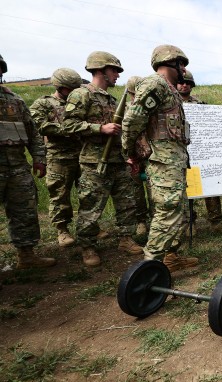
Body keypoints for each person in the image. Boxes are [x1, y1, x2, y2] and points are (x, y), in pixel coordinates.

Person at [122, 44, 198, 272]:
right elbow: (132, 121)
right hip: (163, 163)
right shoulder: (155, 84)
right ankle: (149, 268)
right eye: (181, 64)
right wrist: (131, 154)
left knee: (181, 211)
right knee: (167, 211)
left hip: (174, 162)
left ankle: (171, 257)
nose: (184, 69)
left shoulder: (171, 90)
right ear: (169, 62)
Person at [63, 51, 142, 266]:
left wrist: (128, 155)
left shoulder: (113, 100)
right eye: (114, 70)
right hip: (94, 161)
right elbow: (68, 125)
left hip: (117, 160)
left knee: (127, 203)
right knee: (91, 206)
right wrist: (100, 128)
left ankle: (126, 238)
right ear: (100, 70)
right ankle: (88, 246)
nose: (117, 74)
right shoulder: (82, 94)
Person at [0, 53, 56, 269]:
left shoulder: (14, 100)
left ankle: (27, 255)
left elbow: (32, 133)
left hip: (17, 166)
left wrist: (39, 158)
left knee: (24, 210)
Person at [30, 67, 83, 248]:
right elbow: (39, 126)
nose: (73, 92)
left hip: (82, 155)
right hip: (58, 157)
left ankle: (90, 226)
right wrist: (69, 129)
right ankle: (62, 230)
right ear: (59, 86)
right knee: (60, 195)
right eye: (70, 89)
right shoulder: (43, 104)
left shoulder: (78, 102)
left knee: (88, 193)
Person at [179, 70, 222, 235]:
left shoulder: (201, 105)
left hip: (202, 154)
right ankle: (189, 223)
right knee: (186, 189)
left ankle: (216, 222)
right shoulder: (171, 104)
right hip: (181, 153)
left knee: (210, 188)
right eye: (182, 82)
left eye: (188, 82)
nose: (185, 85)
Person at [124, 75, 149, 236]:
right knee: (136, 191)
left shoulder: (149, 107)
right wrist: (126, 154)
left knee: (154, 191)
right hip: (132, 157)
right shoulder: (125, 109)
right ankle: (141, 221)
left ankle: (155, 221)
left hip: (149, 155)